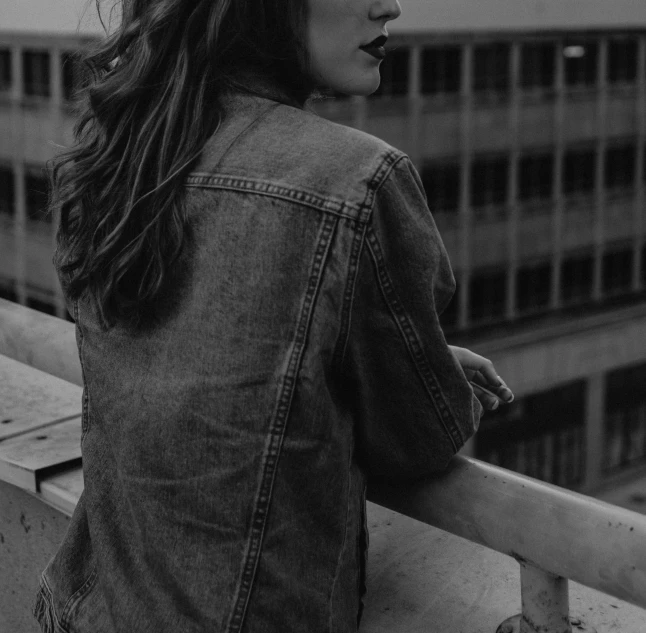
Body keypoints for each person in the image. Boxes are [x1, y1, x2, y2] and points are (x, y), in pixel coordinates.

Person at [34, 0, 514, 631]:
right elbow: (416, 441)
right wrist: (428, 373)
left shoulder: (116, 158)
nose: (390, 6)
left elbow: (201, 369)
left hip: (85, 609)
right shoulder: (356, 180)